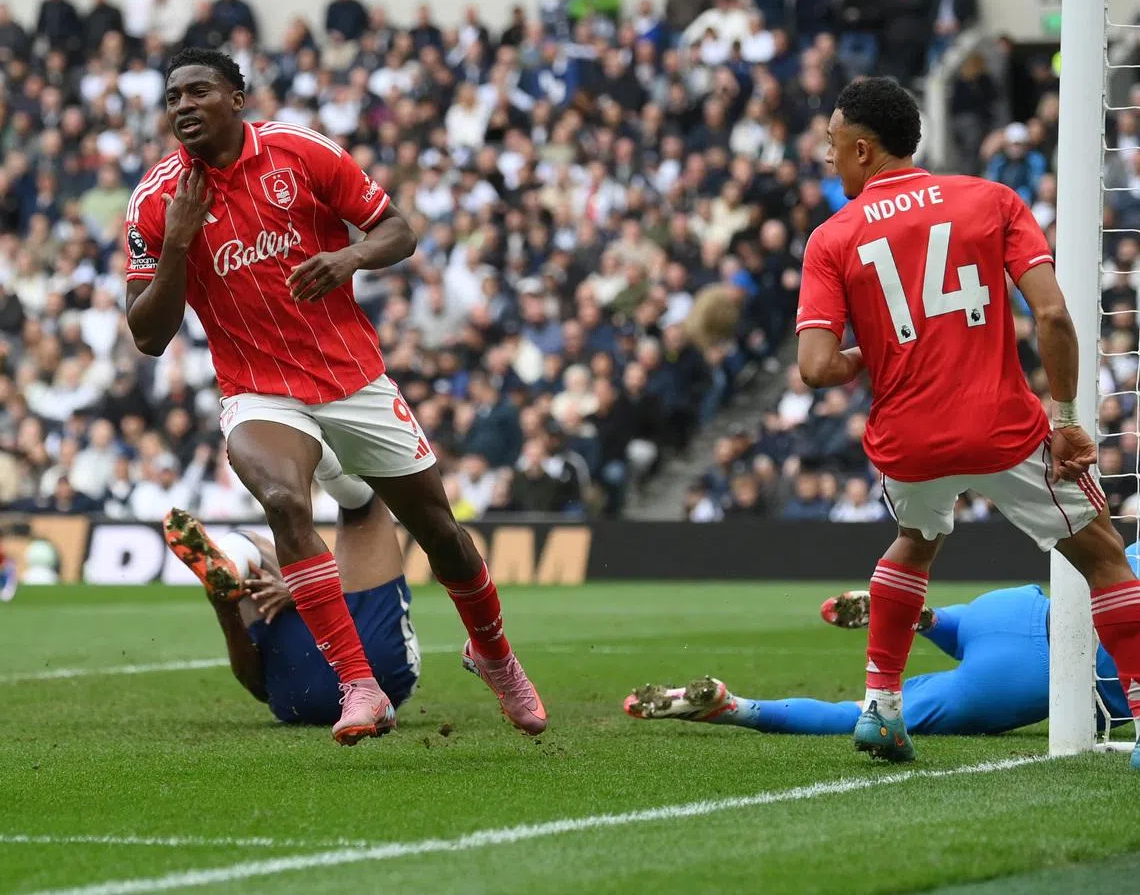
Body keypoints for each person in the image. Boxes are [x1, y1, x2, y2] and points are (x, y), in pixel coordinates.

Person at [124, 47, 545, 746]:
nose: (183, 107)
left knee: (441, 532)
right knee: (287, 501)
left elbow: (398, 229)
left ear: (236, 97)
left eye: (199, 92)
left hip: (351, 378)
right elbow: (147, 336)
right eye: (172, 99)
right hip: (259, 390)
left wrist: (348, 257)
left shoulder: (300, 152)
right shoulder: (157, 201)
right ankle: (359, 685)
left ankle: (494, 657)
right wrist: (177, 245)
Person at [794, 76, 1140, 766]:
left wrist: (874, 350)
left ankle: (882, 708)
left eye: (832, 145)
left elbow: (816, 367)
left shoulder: (832, 238)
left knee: (914, 541)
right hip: (1002, 426)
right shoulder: (992, 199)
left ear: (863, 149)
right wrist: (1069, 416)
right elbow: (1050, 315)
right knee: (1103, 558)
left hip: (907, 438)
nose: (827, 158)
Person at [624, 556, 1140, 737]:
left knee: (955, 627)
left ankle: (915, 616)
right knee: (865, 714)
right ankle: (733, 707)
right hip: (1032, 676)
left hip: (1019, 607)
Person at [164, 447, 420, 726]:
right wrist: (302, 593)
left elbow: (256, 685)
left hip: (296, 692)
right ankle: (322, 444)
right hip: (382, 669)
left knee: (249, 552)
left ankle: (233, 570)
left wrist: (226, 610)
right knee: (362, 503)